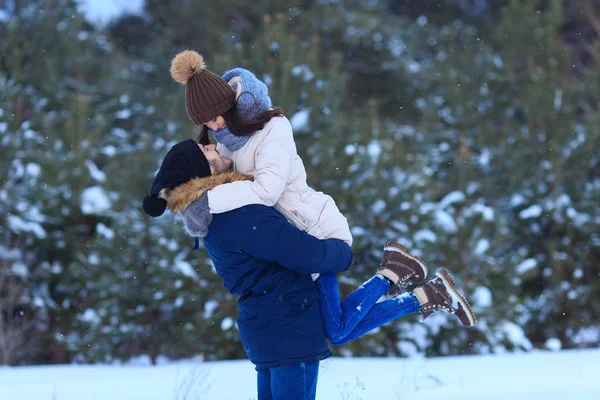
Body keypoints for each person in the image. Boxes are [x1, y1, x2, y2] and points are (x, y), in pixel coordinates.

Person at [167, 49, 477, 342]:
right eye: (206, 123)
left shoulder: (274, 128)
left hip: (314, 231)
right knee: (336, 328)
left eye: (215, 117)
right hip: (290, 241)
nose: (213, 126)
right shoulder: (223, 144)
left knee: (337, 330)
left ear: (228, 105)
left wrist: (206, 202)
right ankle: (419, 286)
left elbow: (266, 190)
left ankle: (399, 277)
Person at [142, 143, 476, 400]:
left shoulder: (216, 216)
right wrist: (342, 255)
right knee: (340, 330)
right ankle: (405, 283)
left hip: (272, 328)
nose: (215, 145)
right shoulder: (237, 214)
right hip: (285, 328)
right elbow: (305, 254)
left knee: (340, 330)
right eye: (206, 149)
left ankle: (415, 289)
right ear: (199, 170)